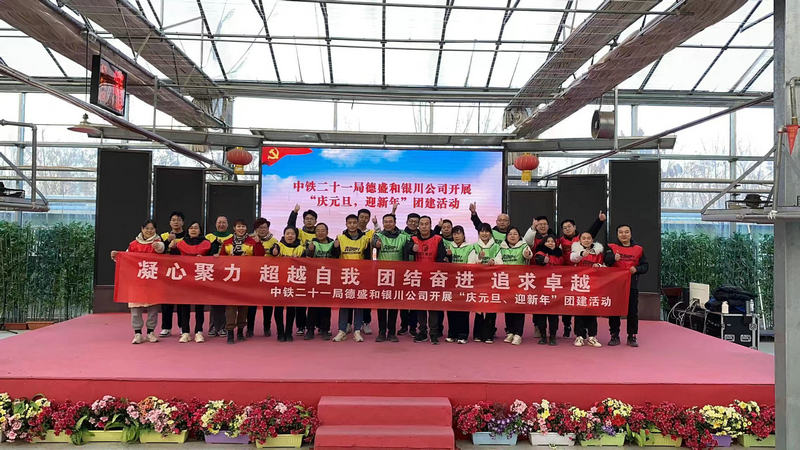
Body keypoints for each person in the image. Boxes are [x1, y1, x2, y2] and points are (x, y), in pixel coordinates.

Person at [110, 219, 165, 344]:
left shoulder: (158, 242)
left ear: (155, 230)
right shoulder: (133, 244)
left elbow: (161, 249)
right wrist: (116, 256)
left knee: (153, 309)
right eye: (147, 228)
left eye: (152, 228)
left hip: (152, 281)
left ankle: (150, 332)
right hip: (136, 281)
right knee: (135, 309)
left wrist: (158, 247)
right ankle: (137, 333)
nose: (149, 231)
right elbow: (126, 258)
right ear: (142, 229)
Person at [555, 211, 606, 338]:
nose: (567, 229)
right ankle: (567, 325)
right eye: (564, 228)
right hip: (566, 274)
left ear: (574, 227)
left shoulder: (582, 238)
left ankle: (588, 332)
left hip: (583, 275)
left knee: (582, 302)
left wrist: (600, 221)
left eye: (569, 226)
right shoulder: (560, 241)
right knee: (567, 301)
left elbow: (592, 232)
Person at [219, 219, 265, 344]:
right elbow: (221, 260)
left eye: (243, 226)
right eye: (239, 226)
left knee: (244, 306)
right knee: (230, 306)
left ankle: (240, 331)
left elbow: (260, 257)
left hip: (246, 279)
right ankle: (230, 332)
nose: (241, 229)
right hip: (231, 279)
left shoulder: (252, 242)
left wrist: (258, 243)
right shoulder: (227, 242)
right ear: (234, 228)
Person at [605, 224, 649, 347]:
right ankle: (614, 335)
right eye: (621, 232)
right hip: (615, 285)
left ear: (630, 234)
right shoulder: (611, 247)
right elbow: (606, 261)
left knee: (632, 311)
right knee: (614, 311)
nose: (623, 234)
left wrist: (637, 269)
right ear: (617, 234)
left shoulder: (638, 249)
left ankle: (632, 336)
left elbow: (645, 266)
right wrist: (613, 258)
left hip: (631, 285)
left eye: (626, 232)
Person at [372, 213, 413, 342]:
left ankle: (392, 332)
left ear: (395, 223)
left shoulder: (403, 237)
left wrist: (413, 247)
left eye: (390, 221)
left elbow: (411, 247)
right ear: (383, 223)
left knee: (394, 305)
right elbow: (373, 244)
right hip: (382, 276)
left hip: (397, 276)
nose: (388, 224)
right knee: (382, 305)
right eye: (386, 222)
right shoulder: (378, 236)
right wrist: (376, 244)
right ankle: (381, 332)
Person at [171, 220, 212, 343]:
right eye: (191, 228)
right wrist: (171, 247)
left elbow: (213, 260)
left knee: (199, 306)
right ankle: (185, 332)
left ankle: (199, 331)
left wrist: (204, 258)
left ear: (200, 230)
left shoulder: (207, 243)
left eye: (196, 228)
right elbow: (173, 259)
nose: (193, 230)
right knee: (184, 306)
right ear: (187, 230)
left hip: (200, 278)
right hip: (185, 279)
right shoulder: (180, 244)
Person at [332, 214, 371, 342]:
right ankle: (342, 331)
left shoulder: (365, 239)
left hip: (359, 276)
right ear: (346, 224)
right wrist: (335, 247)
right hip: (345, 276)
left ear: (358, 223)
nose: (352, 225)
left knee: (358, 304)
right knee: (344, 304)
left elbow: (368, 259)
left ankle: (357, 331)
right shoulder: (340, 238)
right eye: (350, 223)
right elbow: (334, 257)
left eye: (354, 222)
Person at [493, 227, 533, 345]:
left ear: (519, 236)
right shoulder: (501, 247)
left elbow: (528, 255)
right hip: (506, 282)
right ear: (506, 236)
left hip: (519, 283)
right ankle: (510, 332)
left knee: (518, 308)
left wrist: (527, 254)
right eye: (510, 234)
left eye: (515, 234)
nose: (512, 236)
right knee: (508, 308)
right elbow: (497, 260)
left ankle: (518, 334)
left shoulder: (523, 245)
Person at [412, 216, 447, 344]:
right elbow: (407, 253)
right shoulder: (413, 239)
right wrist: (411, 249)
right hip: (418, 278)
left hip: (434, 278)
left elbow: (441, 257)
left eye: (426, 224)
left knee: (433, 307)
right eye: (421, 224)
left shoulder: (438, 239)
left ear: (431, 225)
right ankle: (422, 332)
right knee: (420, 307)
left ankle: (433, 333)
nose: (424, 226)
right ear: (418, 226)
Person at [270, 226, 305, 342]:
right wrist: (274, 252)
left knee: (291, 309)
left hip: (294, 283)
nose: (290, 236)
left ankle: (289, 332)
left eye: (292, 234)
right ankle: (280, 332)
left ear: (296, 236)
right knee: (278, 308)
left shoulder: (300, 248)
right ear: (284, 235)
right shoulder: (278, 245)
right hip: (279, 282)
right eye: (288, 233)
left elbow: (306, 262)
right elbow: (273, 253)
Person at [570, 231, 605, 348]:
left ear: (592, 240)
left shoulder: (598, 252)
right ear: (580, 240)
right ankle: (579, 336)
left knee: (592, 311)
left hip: (593, 286)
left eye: (588, 238)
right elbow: (573, 259)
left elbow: (604, 266)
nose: (586, 240)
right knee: (579, 311)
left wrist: (599, 266)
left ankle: (592, 336)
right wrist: (581, 254)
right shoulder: (576, 250)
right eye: (584, 238)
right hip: (579, 285)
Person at [468, 222, 501, 343]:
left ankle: (489, 334)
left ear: (490, 233)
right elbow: (470, 262)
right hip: (479, 281)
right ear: (478, 233)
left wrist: (494, 261)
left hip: (492, 281)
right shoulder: (474, 246)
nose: (484, 233)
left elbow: (500, 261)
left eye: (487, 231)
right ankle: (477, 334)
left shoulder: (496, 247)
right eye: (482, 231)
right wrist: (479, 259)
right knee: (479, 308)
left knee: (491, 308)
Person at [305, 223, 339, 340]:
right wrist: (310, 250)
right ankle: (310, 329)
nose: (320, 232)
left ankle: (325, 329)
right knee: (312, 306)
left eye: (323, 230)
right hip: (314, 279)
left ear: (327, 232)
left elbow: (336, 257)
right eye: (318, 230)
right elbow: (307, 256)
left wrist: (336, 248)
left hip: (328, 279)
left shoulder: (332, 243)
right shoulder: (311, 243)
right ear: (315, 233)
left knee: (326, 306)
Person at [287, 205, 317, 335]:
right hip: (300, 270)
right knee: (300, 298)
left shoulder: (319, 232)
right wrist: (294, 213)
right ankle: (300, 325)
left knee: (314, 299)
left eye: (312, 219)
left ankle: (314, 325)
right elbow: (290, 226)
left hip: (315, 271)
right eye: (307, 219)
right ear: (303, 220)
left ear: (315, 221)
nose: (309, 221)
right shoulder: (298, 232)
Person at [532, 235, 565, 346]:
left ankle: (552, 336)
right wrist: (543, 260)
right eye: (548, 241)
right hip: (542, 289)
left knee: (553, 315)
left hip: (555, 288)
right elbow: (538, 259)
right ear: (543, 243)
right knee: (542, 314)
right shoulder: (540, 252)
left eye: (553, 241)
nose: (551, 243)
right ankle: (543, 336)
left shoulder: (560, 255)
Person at [249, 218, 279, 338]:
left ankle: (267, 327)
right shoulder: (249, 240)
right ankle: (250, 328)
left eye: (265, 227)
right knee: (251, 304)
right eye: (260, 228)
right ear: (255, 229)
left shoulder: (274, 241)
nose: (262, 230)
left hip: (268, 275)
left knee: (268, 303)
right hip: (252, 275)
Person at [158, 211, 186, 338]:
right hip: (167, 272)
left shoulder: (187, 236)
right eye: (173, 220)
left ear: (182, 222)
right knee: (166, 300)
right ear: (170, 222)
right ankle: (166, 327)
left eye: (179, 220)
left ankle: (182, 326)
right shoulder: (164, 236)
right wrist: (167, 242)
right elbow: (158, 251)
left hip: (182, 272)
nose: (176, 222)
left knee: (181, 301)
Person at [443, 225, 471, 344]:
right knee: (451, 309)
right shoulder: (449, 247)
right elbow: (444, 264)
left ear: (463, 235)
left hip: (464, 281)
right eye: (454, 234)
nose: (456, 236)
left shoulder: (470, 247)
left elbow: (471, 264)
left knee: (463, 309)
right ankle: (452, 333)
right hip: (451, 282)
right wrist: (447, 257)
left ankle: (463, 334)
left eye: (459, 233)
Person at [205, 215, 231, 337]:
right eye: (219, 222)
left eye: (224, 222)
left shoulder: (232, 238)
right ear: (215, 224)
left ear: (227, 224)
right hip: (213, 273)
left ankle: (223, 327)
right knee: (214, 301)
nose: (221, 225)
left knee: (225, 301)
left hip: (227, 274)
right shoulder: (209, 237)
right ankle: (213, 327)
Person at [356, 208, 378, 335]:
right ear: (358, 217)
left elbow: (379, 234)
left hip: (367, 268)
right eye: (362, 217)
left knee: (365, 295)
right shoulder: (348, 232)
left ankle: (366, 322)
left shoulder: (371, 233)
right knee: (350, 296)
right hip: (352, 270)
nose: (364, 219)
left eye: (366, 217)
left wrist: (376, 224)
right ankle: (348, 323)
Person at [398, 212, 421, 336]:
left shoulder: (422, 235)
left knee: (415, 301)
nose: (413, 223)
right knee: (403, 300)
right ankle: (403, 326)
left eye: (416, 222)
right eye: (411, 221)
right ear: (406, 222)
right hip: (403, 271)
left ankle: (413, 327)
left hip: (418, 272)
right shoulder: (401, 234)